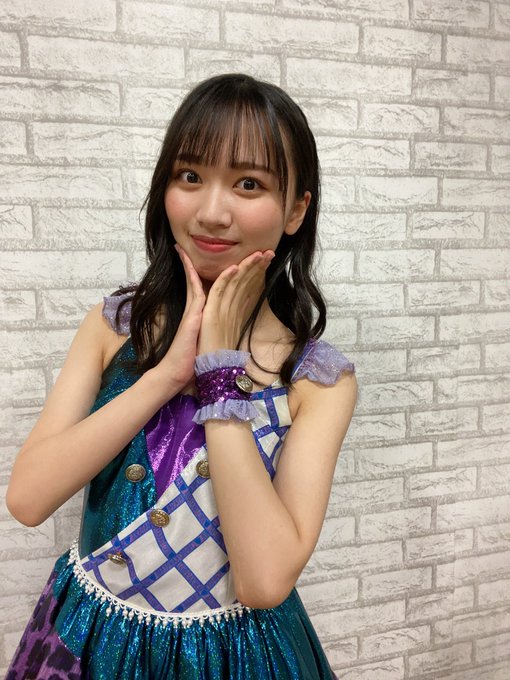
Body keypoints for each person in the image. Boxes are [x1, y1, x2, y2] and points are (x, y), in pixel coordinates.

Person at [6, 73, 357, 679]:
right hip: (94, 640)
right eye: (190, 176)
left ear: (296, 209)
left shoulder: (316, 380)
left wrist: (220, 376)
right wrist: (166, 376)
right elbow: (29, 498)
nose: (211, 213)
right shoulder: (114, 327)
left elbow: (265, 580)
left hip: (238, 656)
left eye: (249, 184)